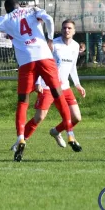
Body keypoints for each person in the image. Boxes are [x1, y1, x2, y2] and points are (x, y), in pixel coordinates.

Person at [0, 0, 82, 161]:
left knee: (23, 102)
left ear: (7, 9)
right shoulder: (32, 10)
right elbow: (49, 19)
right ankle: (70, 134)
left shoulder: (5, 18)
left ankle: (21, 138)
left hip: (26, 62)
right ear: (19, 5)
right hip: (45, 57)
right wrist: (50, 39)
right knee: (58, 94)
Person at [11, 19, 86, 151]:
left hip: (65, 87)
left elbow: (72, 67)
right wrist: (38, 82)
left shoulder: (75, 46)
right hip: (48, 86)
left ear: (74, 31)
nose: (66, 30)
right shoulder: (53, 45)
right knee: (39, 117)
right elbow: (41, 63)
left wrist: (78, 84)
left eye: (69, 28)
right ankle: (21, 141)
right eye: (64, 28)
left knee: (76, 117)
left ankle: (56, 131)